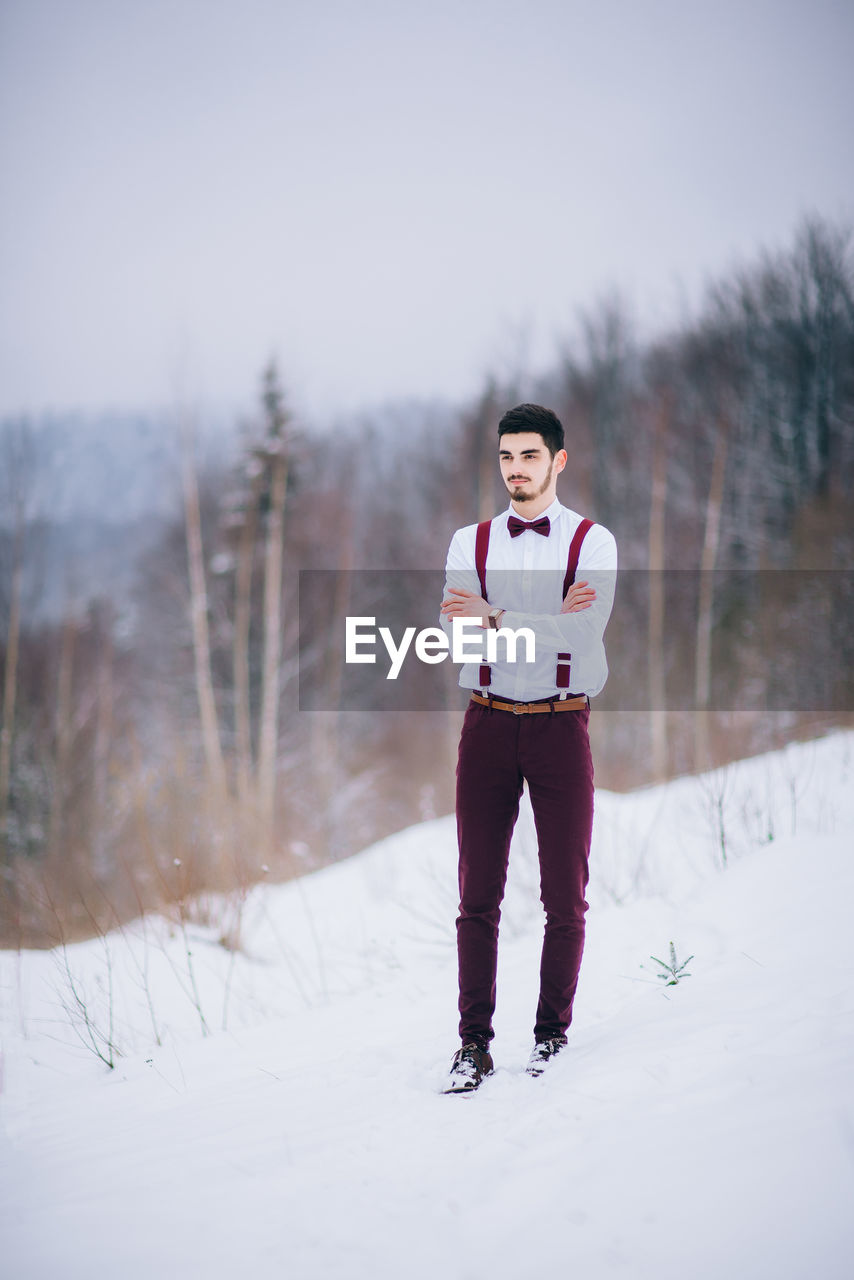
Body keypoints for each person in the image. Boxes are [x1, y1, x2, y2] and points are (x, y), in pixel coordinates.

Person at [439, 403, 617, 1092]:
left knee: (563, 896)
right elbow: (457, 636)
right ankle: (472, 1044)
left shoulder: (592, 544)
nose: (517, 469)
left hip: (561, 726)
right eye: (508, 457)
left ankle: (550, 1036)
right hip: (485, 726)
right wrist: (535, 621)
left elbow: (582, 636)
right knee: (476, 895)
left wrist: (499, 616)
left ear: (558, 461)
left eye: (530, 456)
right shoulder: (469, 543)